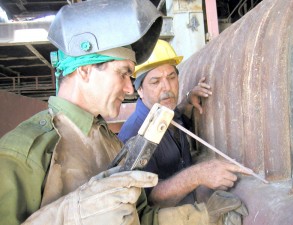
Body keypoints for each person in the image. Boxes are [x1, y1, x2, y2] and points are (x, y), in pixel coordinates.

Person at [0, 1, 248, 225]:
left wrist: (203, 216)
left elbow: (140, 217)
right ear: (85, 70)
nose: (130, 87)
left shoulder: (112, 144)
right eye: (122, 73)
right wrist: (70, 215)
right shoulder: (23, 154)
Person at [118, 39, 250, 208]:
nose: (167, 88)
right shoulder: (134, 134)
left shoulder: (168, 114)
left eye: (171, 77)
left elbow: (179, 117)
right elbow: (148, 200)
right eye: (155, 81)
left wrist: (188, 101)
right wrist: (198, 176)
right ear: (140, 90)